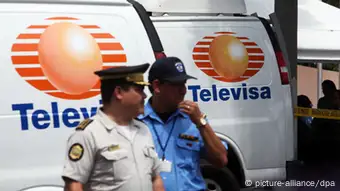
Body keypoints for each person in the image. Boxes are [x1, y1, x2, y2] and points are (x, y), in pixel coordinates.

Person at [61, 63, 165, 191]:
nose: (144, 96)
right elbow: (74, 185)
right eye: (139, 90)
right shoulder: (88, 133)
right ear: (119, 92)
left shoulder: (143, 129)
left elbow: (155, 178)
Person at [137, 57, 228, 191]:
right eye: (177, 85)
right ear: (157, 86)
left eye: (184, 84)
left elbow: (221, 160)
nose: (183, 90)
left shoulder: (193, 120)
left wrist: (201, 123)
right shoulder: (137, 121)